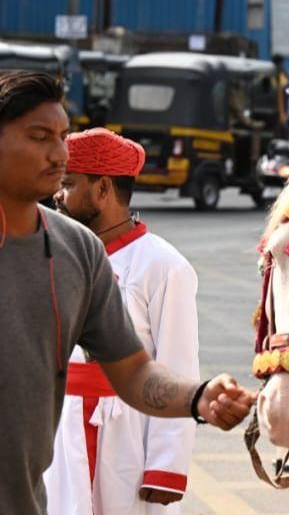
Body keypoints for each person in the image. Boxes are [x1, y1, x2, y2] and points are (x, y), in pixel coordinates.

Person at [0, 71, 254, 515]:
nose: (58, 154)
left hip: (75, 462)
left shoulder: (80, 252)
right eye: (40, 137)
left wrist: (198, 399)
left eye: (62, 137)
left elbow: (137, 370)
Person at [46, 128, 200, 514]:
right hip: (61, 426)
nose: (57, 195)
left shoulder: (164, 265)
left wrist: (166, 467)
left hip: (127, 431)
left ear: (102, 189)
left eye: (68, 183)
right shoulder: (56, 253)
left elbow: (179, 367)